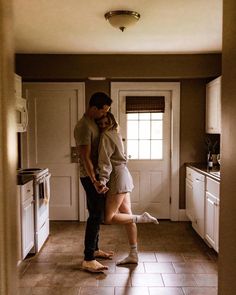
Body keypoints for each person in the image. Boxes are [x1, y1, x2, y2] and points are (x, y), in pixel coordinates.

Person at [96, 112, 158, 265]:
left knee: (108, 218)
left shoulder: (106, 136)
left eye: (105, 122)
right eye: (100, 123)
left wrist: (102, 181)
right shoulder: (116, 134)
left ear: (111, 121)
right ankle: (133, 253)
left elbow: (105, 162)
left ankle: (142, 218)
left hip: (117, 176)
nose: (103, 126)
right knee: (127, 215)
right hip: (124, 174)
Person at [74, 92, 113, 273]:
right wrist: (95, 180)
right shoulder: (83, 126)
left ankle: (95, 250)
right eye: (104, 110)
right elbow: (86, 157)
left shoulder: (93, 124)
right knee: (95, 215)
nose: (105, 114)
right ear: (94, 108)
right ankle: (88, 258)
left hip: (96, 177)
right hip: (90, 177)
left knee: (96, 213)